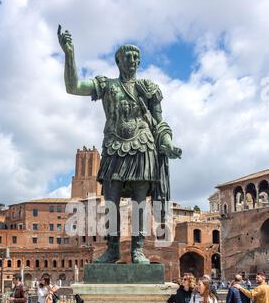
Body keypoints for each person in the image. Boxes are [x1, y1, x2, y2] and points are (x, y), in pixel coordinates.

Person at [58, 27, 182, 264]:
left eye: (136, 57)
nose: (132, 61)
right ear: (118, 61)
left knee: (139, 202)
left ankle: (137, 250)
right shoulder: (107, 85)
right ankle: (113, 248)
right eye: (128, 57)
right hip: (115, 146)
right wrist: (69, 54)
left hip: (144, 146)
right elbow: (73, 87)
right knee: (111, 200)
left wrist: (166, 142)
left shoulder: (148, 88)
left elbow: (159, 121)